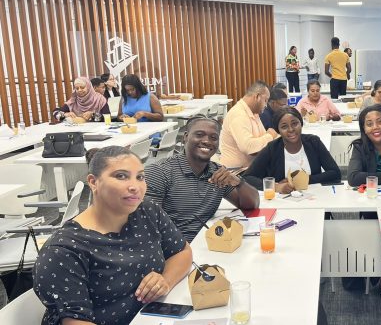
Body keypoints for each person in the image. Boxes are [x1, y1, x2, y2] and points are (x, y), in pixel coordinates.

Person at [33, 146, 192, 325]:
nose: (135, 187)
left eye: (140, 177)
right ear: (93, 182)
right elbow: (75, 321)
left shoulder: (147, 212)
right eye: (121, 176)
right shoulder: (64, 249)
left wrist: (165, 280)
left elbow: (182, 251)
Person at [145, 116, 260, 242]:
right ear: (185, 137)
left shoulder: (217, 173)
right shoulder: (160, 172)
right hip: (176, 250)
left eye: (213, 138)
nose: (207, 141)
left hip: (209, 243)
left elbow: (252, 204)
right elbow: (149, 226)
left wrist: (238, 181)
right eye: (199, 135)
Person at [243, 107, 341, 193]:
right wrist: (276, 187)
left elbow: (335, 173)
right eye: (284, 126)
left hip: (315, 200)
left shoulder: (313, 142)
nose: (291, 129)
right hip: (283, 205)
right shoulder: (272, 148)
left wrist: (301, 180)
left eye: (294, 124)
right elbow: (247, 178)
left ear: (301, 124)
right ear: (278, 130)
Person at [219, 81, 278, 168]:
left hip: (249, 167)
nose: (266, 105)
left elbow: (263, 138)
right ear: (257, 97)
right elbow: (249, 147)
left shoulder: (254, 113)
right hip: (235, 172)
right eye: (265, 100)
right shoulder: (239, 114)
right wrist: (270, 135)